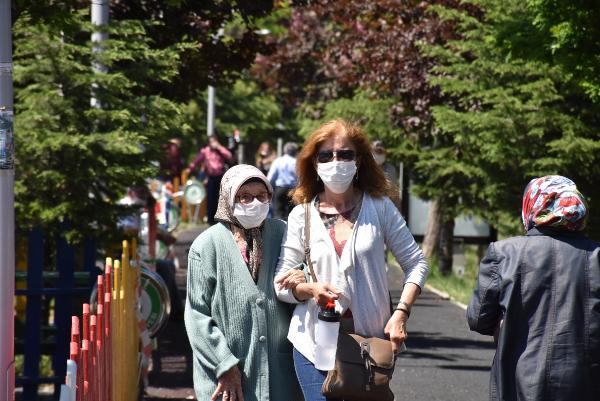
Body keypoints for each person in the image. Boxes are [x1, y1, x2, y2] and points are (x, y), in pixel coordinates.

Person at [273, 119, 429, 401]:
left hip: (369, 345)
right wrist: (308, 289)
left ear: (359, 161)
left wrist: (401, 313)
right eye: (326, 155)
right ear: (314, 163)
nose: (336, 162)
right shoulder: (301, 215)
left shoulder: (380, 207)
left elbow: (417, 263)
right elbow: (280, 284)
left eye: (345, 154)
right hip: (313, 341)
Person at [467, 175, 600, 401]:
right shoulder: (596, 256)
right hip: (586, 384)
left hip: (519, 381)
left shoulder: (504, 253)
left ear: (532, 205)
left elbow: (478, 319)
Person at [184, 164, 304, 401]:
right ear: (228, 199)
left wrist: (302, 276)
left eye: (261, 196)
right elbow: (196, 315)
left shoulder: (283, 233)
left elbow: (302, 271)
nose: (254, 203)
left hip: (279, 373)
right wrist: (224, 364)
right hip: (226, 376)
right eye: (245, 197)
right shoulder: (206, 246)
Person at [186, 134, 233, 225]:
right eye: (211, 142)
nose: (213, 143)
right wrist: (189, 169)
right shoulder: (205, 151)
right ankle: (211, 219)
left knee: (221, 198)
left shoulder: (220, 150)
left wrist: (219, 147)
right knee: (211, 198)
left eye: (214, 141)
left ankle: (222, 219)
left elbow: (229, 156)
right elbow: (196, 160)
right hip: (211, 177)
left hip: (221, 177)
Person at [267, 141, 298, 220]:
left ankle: (279, 226)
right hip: (293, 190)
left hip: (280, 189)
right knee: (293, 213)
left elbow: (271, 177)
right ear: (295, 151)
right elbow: (300, 178)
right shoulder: (296, 162)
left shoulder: (278, 161)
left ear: (285, 150)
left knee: (277, 212)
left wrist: (268, 189)